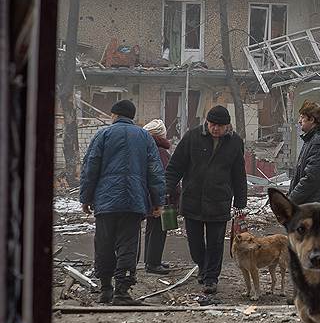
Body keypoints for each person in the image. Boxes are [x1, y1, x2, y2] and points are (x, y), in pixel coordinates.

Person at [80, 99, 164, 305]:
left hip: (106, 201)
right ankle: (122, 292)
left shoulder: (103, 135)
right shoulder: (144, 137)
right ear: (132, 116)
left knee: (104, 244)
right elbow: (155, 171)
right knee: (128, 245)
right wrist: (157, 201)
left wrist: (85, 197)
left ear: (114, 115)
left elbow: (90, 168)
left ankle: (106, 289)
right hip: (133, 201)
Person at [165, 105, 247, 294]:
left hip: (219, 200)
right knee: (195, 243)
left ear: (228, 126)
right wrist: (166, 188)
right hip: (193, 199)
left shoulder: (235, 142)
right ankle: (202, 265)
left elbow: (238, 174)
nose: (215, 128)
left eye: (220, 125)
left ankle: (211, 278)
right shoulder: (192, 137)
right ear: (206, 122)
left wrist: (240, 202)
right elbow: (175, 165)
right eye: (212, 124)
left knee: (216, 243)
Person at [288, 100, 320, 204]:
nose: (299, 121)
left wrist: (289, 202)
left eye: (302, 117)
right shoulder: (311, 140)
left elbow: (311, 178)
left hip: (311, 208)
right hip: (307, 205)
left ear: (311, 119)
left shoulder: (319, 143)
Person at [142, 119, 175, 275]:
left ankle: (151, 260)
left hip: (151, 196)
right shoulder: (159, 151)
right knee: (158, 230)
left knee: (152, 228)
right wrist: (162, 198)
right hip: (159, 196)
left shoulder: (148, 148)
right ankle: (153, 263)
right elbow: (162, 176)